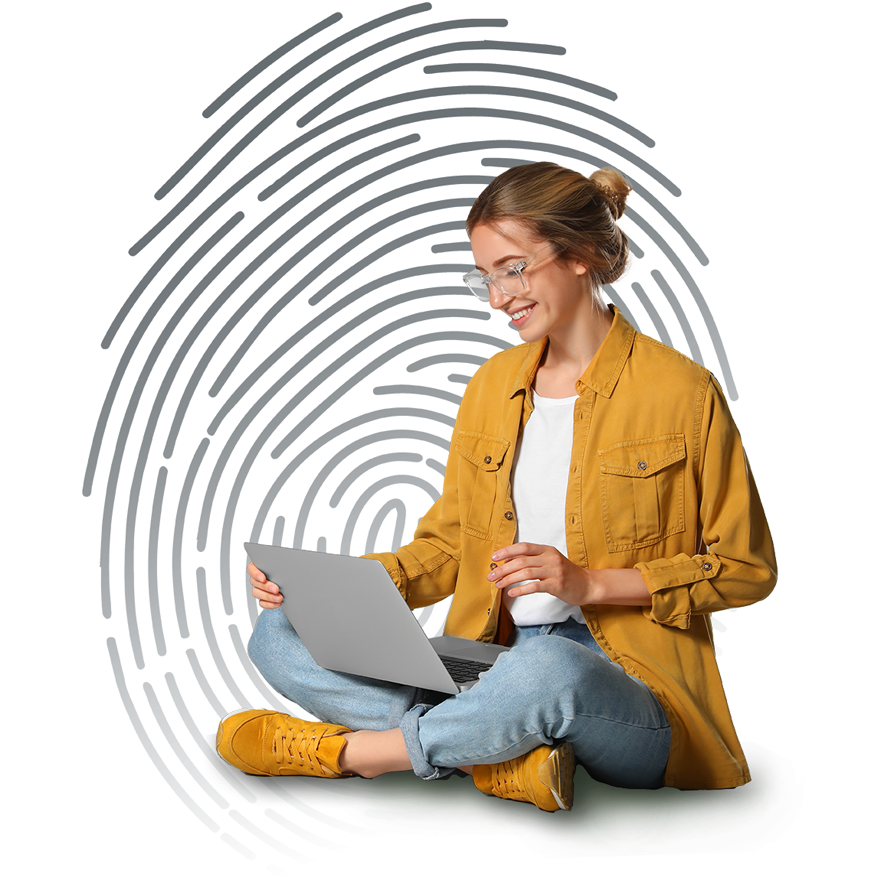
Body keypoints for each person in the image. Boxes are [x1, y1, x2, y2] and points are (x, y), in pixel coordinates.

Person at [215, 158, 777, 812]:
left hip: (627, 690)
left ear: (582, 255)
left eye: (514, 268)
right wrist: (327, 594)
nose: (499, 296)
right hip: (495, 666)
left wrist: (589, 583)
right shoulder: (491, 385)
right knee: (279, 630)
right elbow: (451, 547)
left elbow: (747, 569)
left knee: (552, 672)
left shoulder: (681, 391)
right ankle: (505, 753)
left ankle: (348, 755)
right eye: (484, 276)